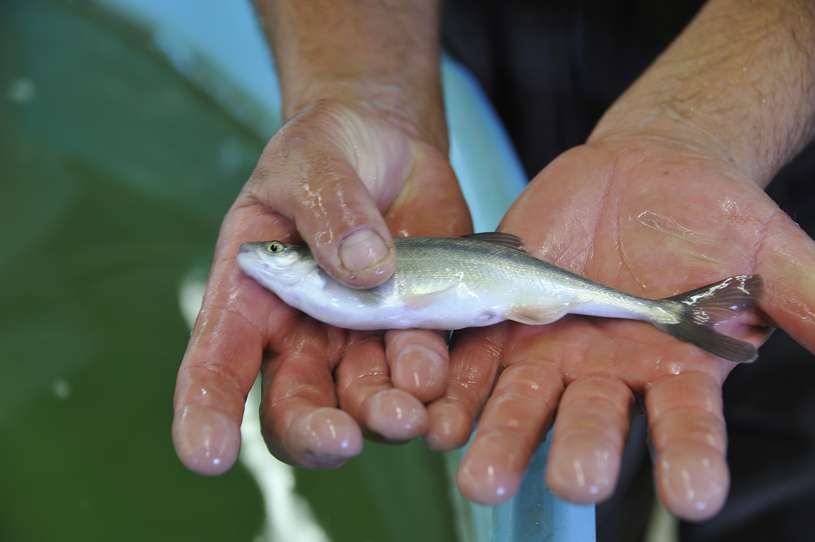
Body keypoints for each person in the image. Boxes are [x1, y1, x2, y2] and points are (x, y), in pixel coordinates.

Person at [172, 0, 815, 527]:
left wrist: (712, 127)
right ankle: (667, 328)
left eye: (279, 251)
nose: (266, 256)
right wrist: (367, 90)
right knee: (591, 476)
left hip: (763, 143)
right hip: (485, 66)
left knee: (784, 479)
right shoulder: (317, 285)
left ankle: (678, 314)